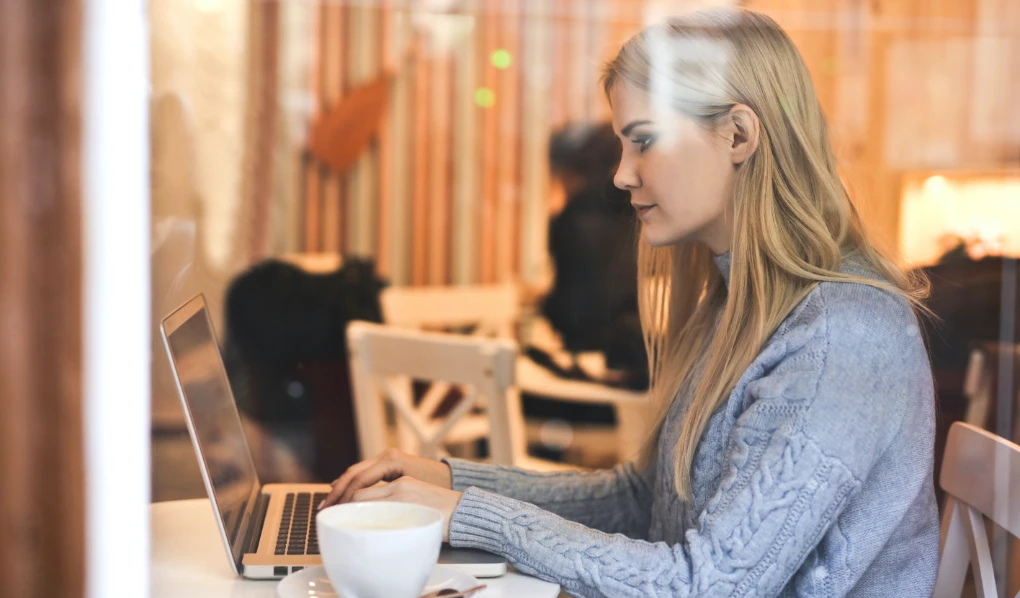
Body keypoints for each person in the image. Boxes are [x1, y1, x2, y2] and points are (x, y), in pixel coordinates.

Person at [320, 8, 940, 596]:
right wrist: (451, 483)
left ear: (738, 134)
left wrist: (465, 516)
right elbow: (644, 501)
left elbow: (706, 587)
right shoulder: (737, 306)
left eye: (643, 141)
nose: (621, 174)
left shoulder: (842, 334)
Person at [538, 121, 647, 388]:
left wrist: (543, 304)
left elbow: (573, 313)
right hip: (631, 364)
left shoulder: (570, 221)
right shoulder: (635, 217)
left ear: (568, 172)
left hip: (589, 374)